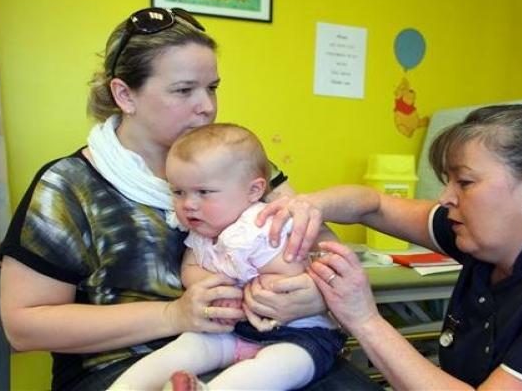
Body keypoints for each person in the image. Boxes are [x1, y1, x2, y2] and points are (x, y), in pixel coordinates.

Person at [0, 7, 377, 390]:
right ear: (125, 94)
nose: (207, 106)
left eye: (212, 87)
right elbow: (24, 327)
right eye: (184, 90)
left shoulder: (238, 166)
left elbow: (320, 249)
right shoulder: (69, 186)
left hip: (268, 345)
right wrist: (172, 316)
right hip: (121, 367)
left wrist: (313, 295)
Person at [259, 104, 522, 390]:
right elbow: (375, 204)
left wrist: (363, 318)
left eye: (465, 182)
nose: (446, 198)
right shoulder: (490, 239)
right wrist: (306, 206)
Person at [110, 124, 345, 390]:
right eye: (178, 192)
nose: (188, 204)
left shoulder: (261, 227)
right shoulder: (202, 229)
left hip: (297, 335)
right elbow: (190, 266)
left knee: (276, 368)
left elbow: (289, 273)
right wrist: (211, 283)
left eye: (204, 192)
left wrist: (252, 289)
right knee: (188, 345)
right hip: (231, 331)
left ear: (254, 191)